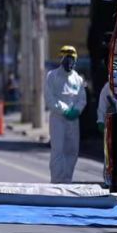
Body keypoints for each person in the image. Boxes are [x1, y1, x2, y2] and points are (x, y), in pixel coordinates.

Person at [45, 45, 86, 183]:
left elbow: (82, 98)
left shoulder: (78, 79)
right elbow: (50, 98)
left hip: (73, 121)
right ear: (61, 59)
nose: (69, 62)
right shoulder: (52, 76)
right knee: (58, 151)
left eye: (72, 58)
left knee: (72, 151)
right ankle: (57, 180)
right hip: (58, 119)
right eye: (66, 58)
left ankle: (67, 180)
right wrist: (64, 110)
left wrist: (77, 110)